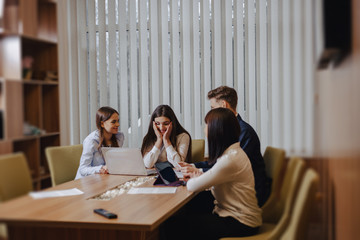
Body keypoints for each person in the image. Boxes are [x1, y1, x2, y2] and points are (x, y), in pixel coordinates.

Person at [161, 108, 262, 240]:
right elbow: (211, 178)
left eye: (207, 126)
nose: (205, 130)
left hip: (242, 222)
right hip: (236, 215)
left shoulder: (230, 159)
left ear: (217, 130)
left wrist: (194, 177)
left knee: (172, 225)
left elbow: (192, 186)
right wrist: (197, 175)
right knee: (191, 208)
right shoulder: (232, 153)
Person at [180, 85, 270, 207]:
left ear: (223, 105)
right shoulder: (230, 131)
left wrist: (197, 172)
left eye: (212, 108)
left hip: (245, 196)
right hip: (231, 187)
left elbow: (226, 167)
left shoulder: (244, 132)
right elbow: (218, 163)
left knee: (188, 206)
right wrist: (193, 166)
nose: (211, 113)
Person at [75, 106, 124, 179]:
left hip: (104, 179)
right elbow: (83, 169)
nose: (118, 124)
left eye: (118, 121)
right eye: (113, 122)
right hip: (86, 182)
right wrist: (101, 168)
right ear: (102, 124)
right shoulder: (91, 141)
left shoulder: (119, 137)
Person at [141, 104, 191, 169]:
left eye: (166, 123)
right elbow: (147, 164)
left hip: (175, 176)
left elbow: (179, 165)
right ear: (153, 124)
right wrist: (159, 140)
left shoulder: (183, 136)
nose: (161, 128)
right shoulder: (149, 137)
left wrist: (166, 140)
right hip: (153, 176)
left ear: (172, 123)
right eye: (157, 124)